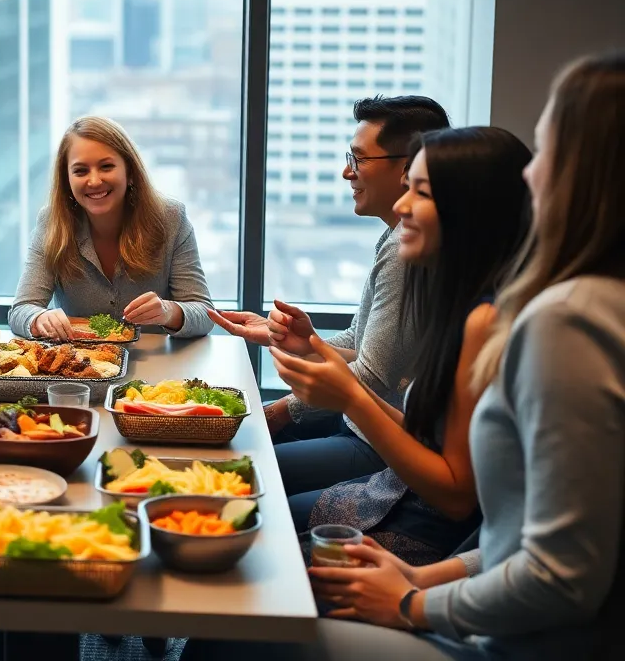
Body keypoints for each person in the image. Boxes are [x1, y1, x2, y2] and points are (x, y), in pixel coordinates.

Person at [183, 51, 625, 661]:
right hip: (462, 586)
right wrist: (419, 583)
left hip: (496, 638)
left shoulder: (558, 319)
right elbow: (503, 532)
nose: (531, 175)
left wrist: (412, 602)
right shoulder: (504, 304)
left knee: (240, 609)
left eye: (546, 152)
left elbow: (498, 529)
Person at [272, 127, 533, 566]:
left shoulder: (488, 319)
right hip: (400, 495)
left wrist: (352, 398)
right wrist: (315, 348)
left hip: (432, 532)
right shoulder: (463, 301)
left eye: (421, 192)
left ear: (471, 209)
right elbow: (426, 431)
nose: (401, 205)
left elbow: (455, 498)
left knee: (260, 533)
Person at [212, 95, 450, 497]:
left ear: (407, 168)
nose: (347, 172)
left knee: (232, 473)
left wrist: (283, 411)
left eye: (359, 160)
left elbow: (371, 376)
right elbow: (361, 346)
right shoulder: (394, 237)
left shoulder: (404, 251)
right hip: (358, 424)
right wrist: (302, 341)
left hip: (378, 443)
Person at [9, 115, 214, 340]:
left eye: (106, 167)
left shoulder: (171, 218)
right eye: (80, 171)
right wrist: (38, 319)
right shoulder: (51, 222)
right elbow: (21, 310)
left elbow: (205, 314)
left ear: (131, 173)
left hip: (157, 369)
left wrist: (168, 312)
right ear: (67, 179)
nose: (94, 181)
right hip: (81, 368)